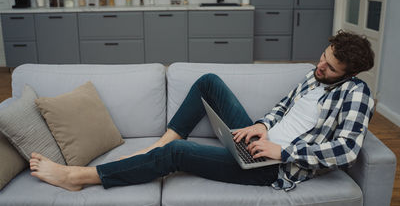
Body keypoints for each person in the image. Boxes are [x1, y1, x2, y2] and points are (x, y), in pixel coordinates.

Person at [29, 30, 375, 192]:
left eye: (329, 67)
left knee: (178, 154)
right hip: (263, 144)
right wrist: (262, 126)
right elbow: (283, 108)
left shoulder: (356, 94)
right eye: (322, 58)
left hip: (274, 167)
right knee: (209, 81)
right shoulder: (313, 79)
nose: (319, 67)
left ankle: (80, 177)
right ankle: (159, 144)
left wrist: (280, 150)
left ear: (349, 72)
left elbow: (346, 150)